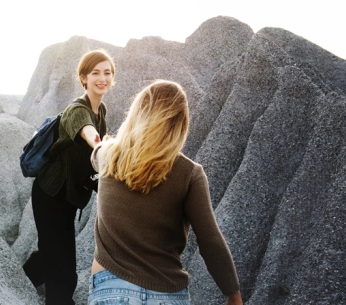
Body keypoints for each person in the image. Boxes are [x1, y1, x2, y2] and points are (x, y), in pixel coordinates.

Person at [88, 80, 243, 305]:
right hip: (166, 295)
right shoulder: (190, 174)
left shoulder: (107, 156)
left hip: (110, 290)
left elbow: (96, 153)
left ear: (137, 113)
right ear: (179, 124)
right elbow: (210, 240)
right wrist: (233, 294)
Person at [23, 49, 115, 305]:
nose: (102, 78)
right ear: (83, 78)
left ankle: (20, 279)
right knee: (63, 263)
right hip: (51, 194)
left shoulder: (101, 111)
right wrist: (103, 148)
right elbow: (90, 136)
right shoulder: (78, 110)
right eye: (95, 73)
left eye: (107, 73)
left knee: (54, 251)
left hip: (68, 197)